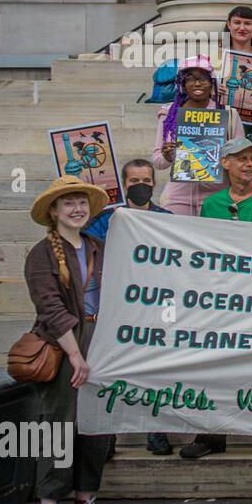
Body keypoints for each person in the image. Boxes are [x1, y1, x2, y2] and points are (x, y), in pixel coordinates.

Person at [179, 138, 252, 461]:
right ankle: (212, 434)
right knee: (218, 367)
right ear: (225, 163)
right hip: (222, 300)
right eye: (241, 158)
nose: (249, 164)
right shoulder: (211, 206)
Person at [25, 175, 117, 504]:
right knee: (59, 425)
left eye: (82, 202)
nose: (77, 209)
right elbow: (49, 307)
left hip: (101, 339)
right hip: (64, 344)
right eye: (69, 203)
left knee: (97, 425)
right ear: (54, 211)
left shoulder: (98, 245)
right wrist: (76, 355)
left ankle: (85, 500)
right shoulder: (41, 254)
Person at [82, 158, 174, 457]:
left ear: (154, 183)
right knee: (109, 370)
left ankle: (156, 431)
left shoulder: (168, 219)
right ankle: (105, 438)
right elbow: (89, 260)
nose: (141, 186)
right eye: (134, 182)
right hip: (114, 305)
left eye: (146, 181)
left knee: (156, 371)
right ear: (124, 184)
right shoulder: (105, 219)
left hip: (153, 307)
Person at [152, 60, 245, 215]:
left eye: (202, 78)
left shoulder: (229, 114)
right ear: (182, 83)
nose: (197, 83)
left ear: (211, 83)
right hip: (178, 197)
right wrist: (167, 156)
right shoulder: (169, 113)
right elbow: (157, 162)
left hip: (217, 197)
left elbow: (241, 158)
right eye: (190, 79)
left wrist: (223, 158)